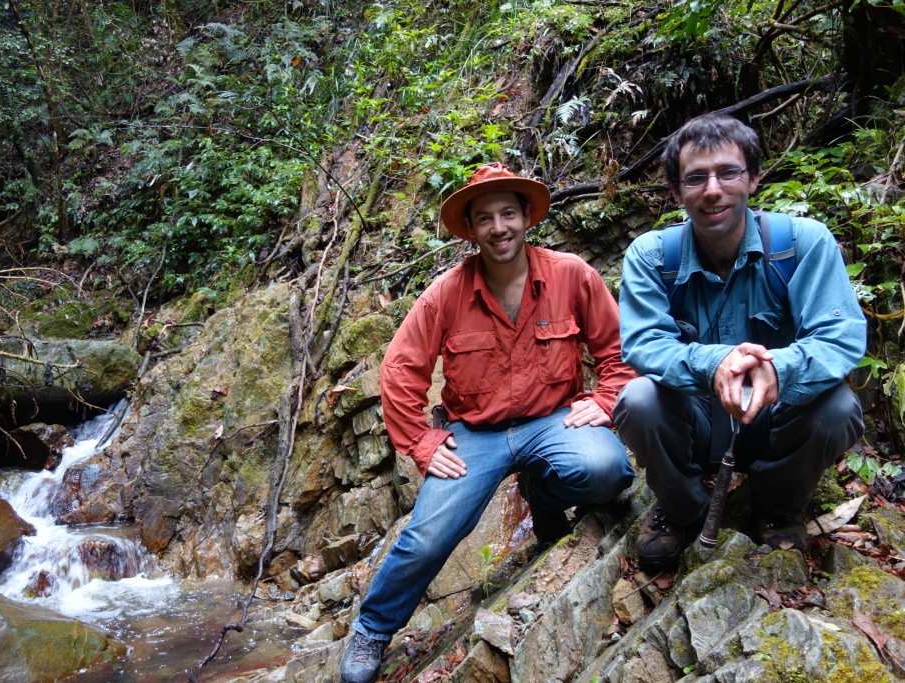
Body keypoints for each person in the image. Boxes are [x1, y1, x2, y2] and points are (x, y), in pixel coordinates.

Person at [339, 162, 638, 683]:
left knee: (608, 470)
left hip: (553, 419)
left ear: (526, 217)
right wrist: (422, 442)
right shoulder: (445, 294)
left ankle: (542, 498)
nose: (498, 228)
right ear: (472, 231)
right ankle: (372, 631)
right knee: (428, 536)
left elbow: (617, 349)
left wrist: (608, 397)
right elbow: (400, 369)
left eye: (507, 214)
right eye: (485, 219)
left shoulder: (572, 274)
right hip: (475, 434)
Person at [614, 113, 866, 569]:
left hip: (778, 418)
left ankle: (778, 506)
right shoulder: (652, 257)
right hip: (697, 425)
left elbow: (840, 336)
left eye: (728, 172)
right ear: (676, 192)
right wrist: (716, 364)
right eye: (695, 178)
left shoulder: (801, 244)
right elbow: (644, 342)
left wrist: (778, 368)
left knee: (839, 408)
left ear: (753, 178)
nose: (713, 189)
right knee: (638, 399)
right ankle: (681, 508)